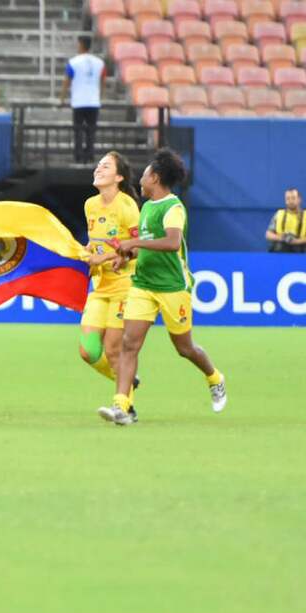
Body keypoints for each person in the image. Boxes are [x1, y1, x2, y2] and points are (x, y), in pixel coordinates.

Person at [98, 149, 227, 425]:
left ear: (154, 178)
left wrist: (133, 243)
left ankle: (215, 378)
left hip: (171, 287)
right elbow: (146, 245)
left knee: (185, 348)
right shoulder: (146, 207)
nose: (141, 179)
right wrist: (127, 257)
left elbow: (170, 243)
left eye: (144, 174)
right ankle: (122, 406)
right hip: (143, 284)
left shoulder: (173, 207)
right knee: (129, 345)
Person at [78, 152, 141, 418]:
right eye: (98, 165)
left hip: (124, 285)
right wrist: (85, 253)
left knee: (114, 348)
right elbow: (95, 243)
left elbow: (137, 249)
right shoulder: (90, 205)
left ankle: (125, 405)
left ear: (118, 177)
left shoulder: (127, 206)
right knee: (88, 351)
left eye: (105, 166)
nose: (98, 168)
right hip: (100, 286)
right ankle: (129, 381)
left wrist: (103, 257)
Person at [60, 35, 106, 164]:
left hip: (79, 102)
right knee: (91, 131)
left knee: (78, 130)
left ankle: (78, 156)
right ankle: (90, 156)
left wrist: (62, 98)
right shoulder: (99, 62)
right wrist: (101, 96)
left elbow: (66, 81)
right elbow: (103, 79)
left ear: (81, 45)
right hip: (93, 102)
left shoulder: (73, 62)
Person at [265, 188, 306, 253]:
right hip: (280, 251)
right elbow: (268, 234)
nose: (290, 201)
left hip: (301, 252)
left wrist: (296, 241)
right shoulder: (279, 214)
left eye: (293, 198)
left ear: (299, 199)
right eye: (288, 198)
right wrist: (282, 238)